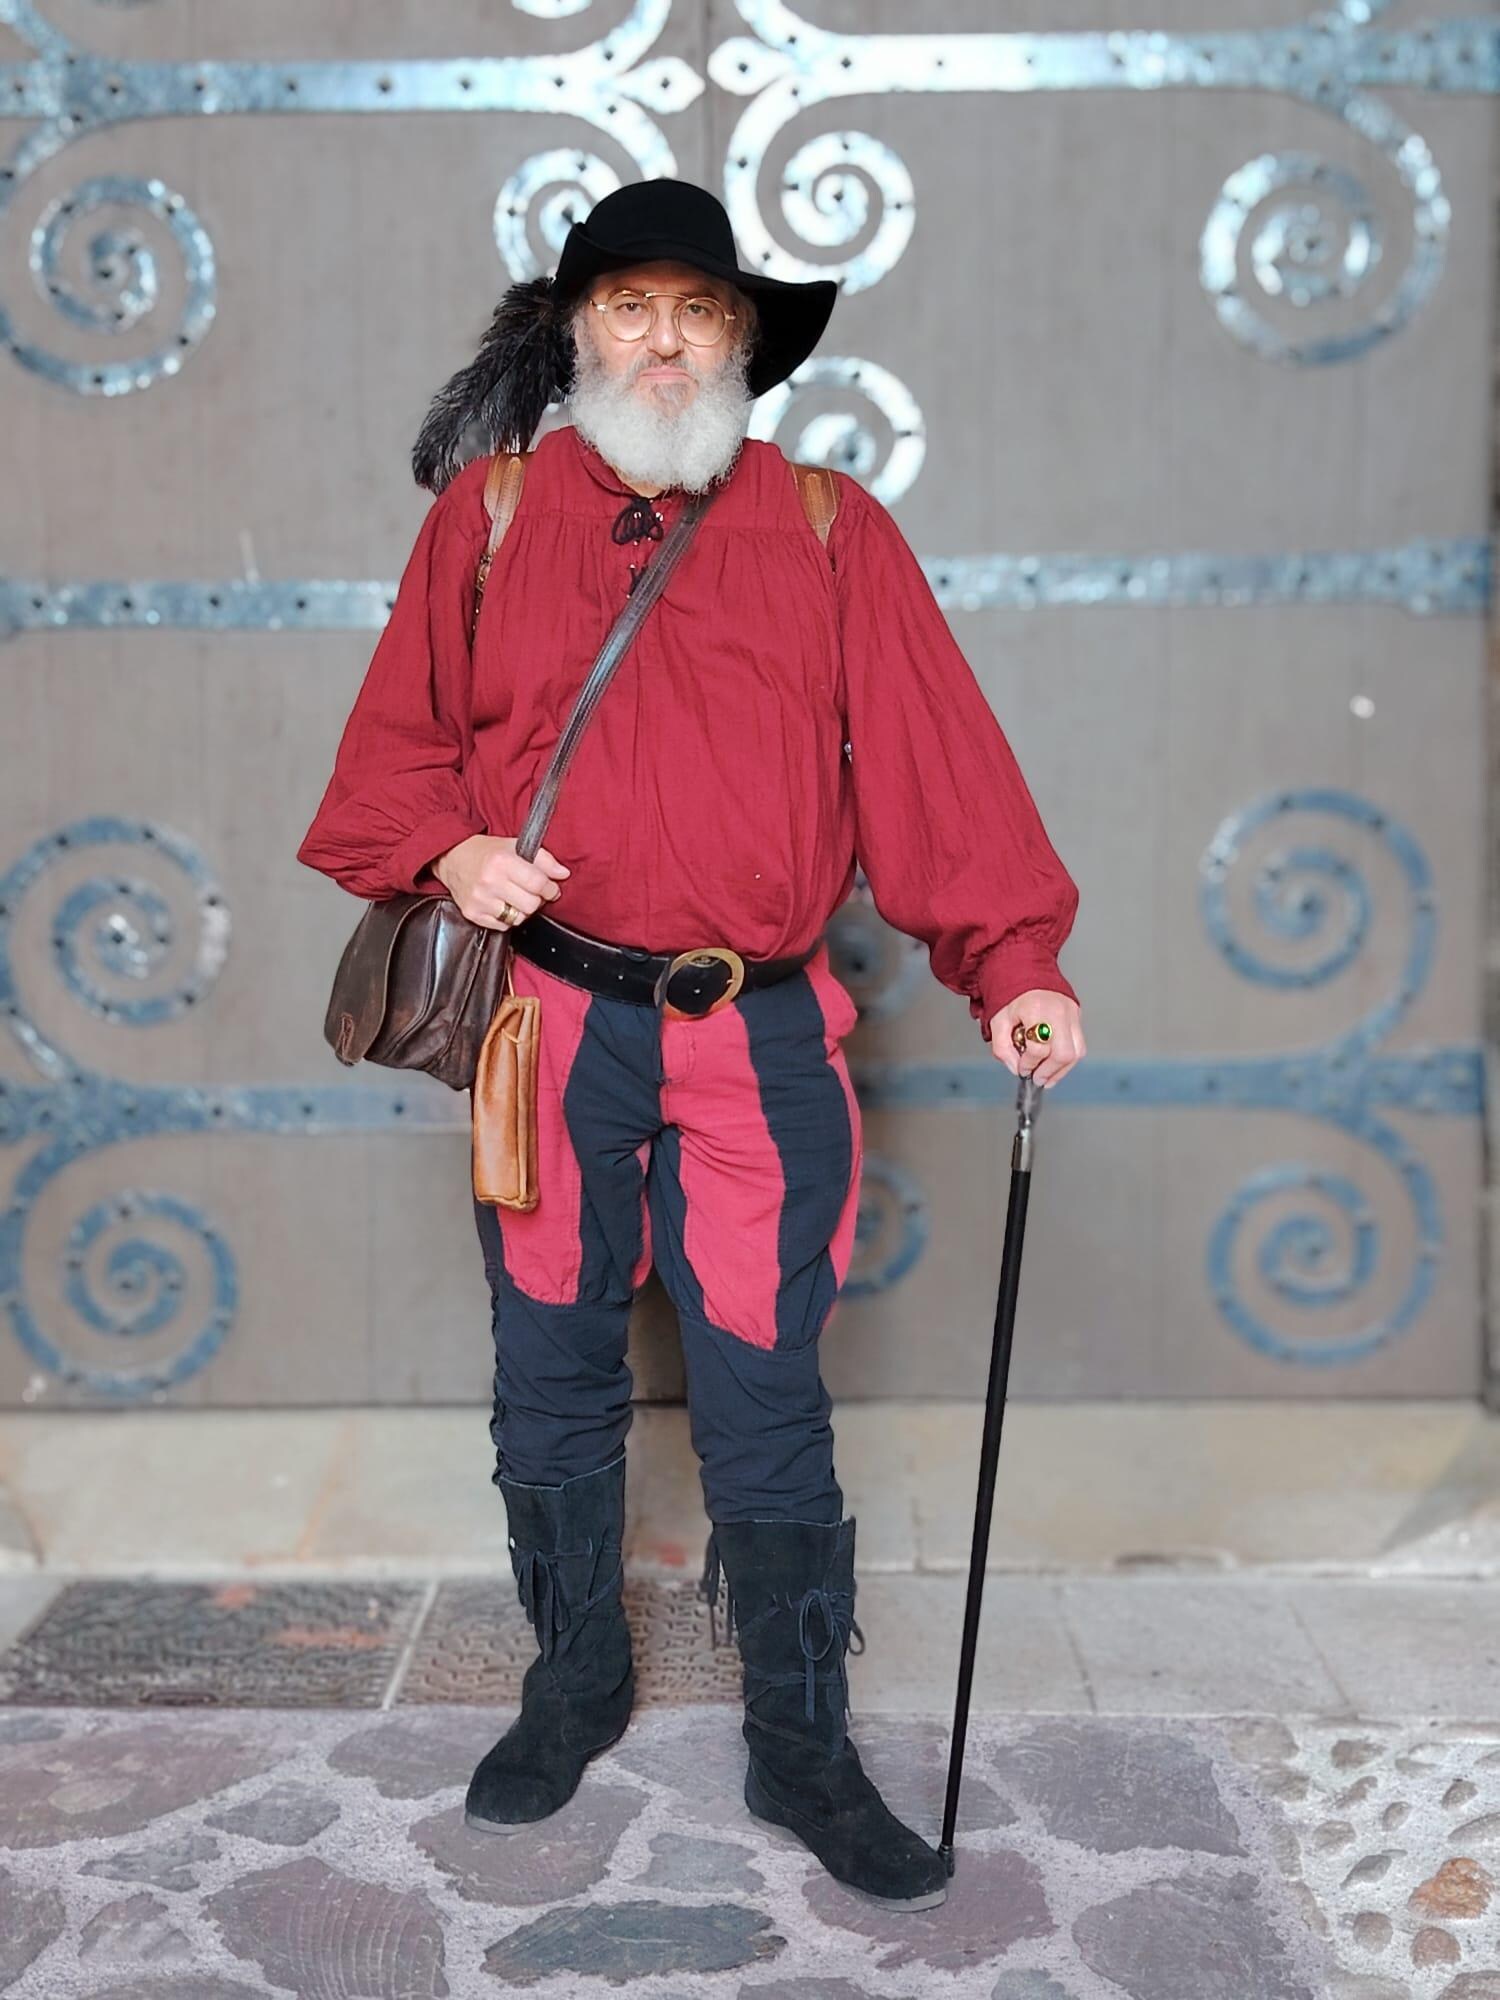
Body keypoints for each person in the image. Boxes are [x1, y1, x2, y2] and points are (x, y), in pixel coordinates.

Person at [296, 177, 1084, 1912]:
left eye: (702, 312)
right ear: (578, 331)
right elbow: (389, 760)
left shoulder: (827, 527)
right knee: (551, 1367)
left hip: (759, 1041)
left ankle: (799, 1742)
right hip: (552, 1027)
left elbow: (939, 766)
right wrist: (453, 852)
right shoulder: (490, 516)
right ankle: (575, 1682)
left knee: (764, 1389)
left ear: (742, 344)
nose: (668, 341)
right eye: (635, 307)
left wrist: (1015, 962)